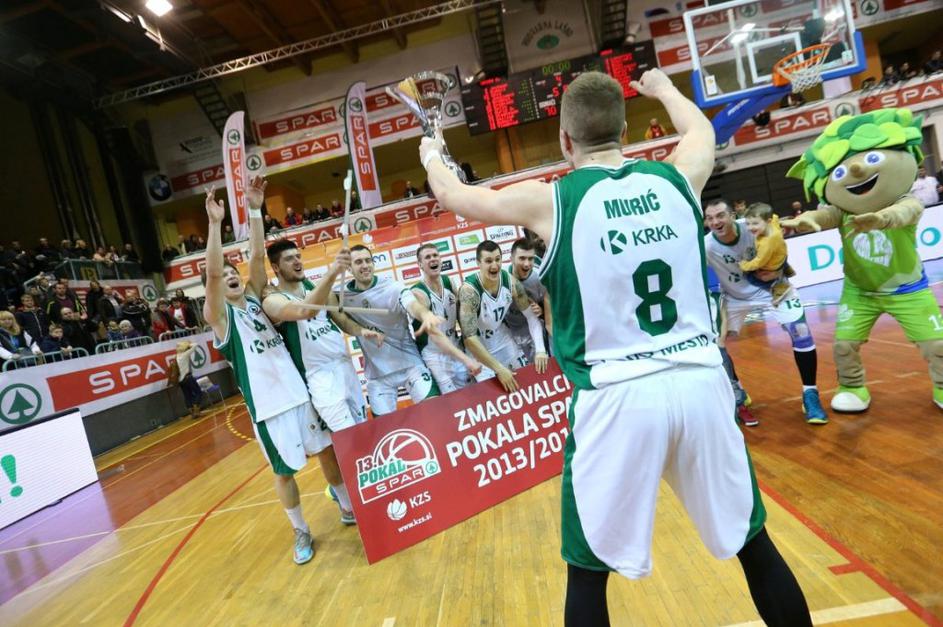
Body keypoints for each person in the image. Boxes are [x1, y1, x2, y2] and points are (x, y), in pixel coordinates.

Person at [420, 68, 811, 627]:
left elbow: (453, 195)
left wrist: (431, 152)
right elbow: (701, 131)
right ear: (625, 132)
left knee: (587, 572)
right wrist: (664, 89)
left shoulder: (552, 201)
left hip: (615, 397)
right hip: (701, 383)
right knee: (756, 548)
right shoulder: (679, 178)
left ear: (565, 140)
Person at [202, 176, 347, 564]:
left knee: (327, 451)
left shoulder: (255, 299)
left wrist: (254, 209)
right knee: (284, 473)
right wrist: (215, 225)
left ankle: (347, 504)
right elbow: (212, 274)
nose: (230, 276)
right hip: (268, 409)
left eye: (233, 273)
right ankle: (300, 530)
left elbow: (254, 256)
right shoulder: (219, 318)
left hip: (298, 394)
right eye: (224, 276)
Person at [704, 199, 827, 424]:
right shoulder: (706, 246)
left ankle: (810, 394)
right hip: (735, 297)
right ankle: (737, 392)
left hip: (774, 290)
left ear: (732, 216)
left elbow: (779, 245)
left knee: (802, 333)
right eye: (710, 218)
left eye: (720, 215)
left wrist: (779, 268)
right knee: (714, 344)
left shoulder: (752, 226)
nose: (715, 222)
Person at [263, 239, 380, 436]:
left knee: (362, 429)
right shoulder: (272, 300)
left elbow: (342, 320)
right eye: (289, 259)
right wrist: (332, 273)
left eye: (298, 256)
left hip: (344, 367)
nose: (297, 261)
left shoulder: (316, 288)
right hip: (319, 377)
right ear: (276, 267)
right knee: (348, 436)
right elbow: (304, 311)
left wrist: (361, 330)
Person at [338, 245, 444, 416]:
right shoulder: (341, 294)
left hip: (410, 365)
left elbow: (412, 304)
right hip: (378, 376)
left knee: (437, 413)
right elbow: (334, 313)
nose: (365, 265)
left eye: (368, 260)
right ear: (349, 268)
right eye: (358, 262)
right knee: (385, 430)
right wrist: (359, 330)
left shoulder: (392, 287)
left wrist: (426, 314)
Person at [458, 240, 548, 392]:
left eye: (497, 259)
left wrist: (540, 350)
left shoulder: (511, 283)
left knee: (525, 387)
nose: (494, 265)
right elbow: (469, 339)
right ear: (478, 263)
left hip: (502, 339)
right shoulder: (469, 291)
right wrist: (499, 369)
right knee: (494, 397)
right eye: (488, 261)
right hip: (479, 349)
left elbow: (532, 317)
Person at [410, 243, 483, 393]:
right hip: (434, 355)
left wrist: (470, 348)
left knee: (472, 394)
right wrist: (466, 359)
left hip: (455, 346)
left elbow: (463, 318)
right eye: (427, 257)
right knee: (451, 400)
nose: (433, 259)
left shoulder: (449, 282)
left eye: (435, 255)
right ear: (420, 265)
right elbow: (435, 336)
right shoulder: (419, 293)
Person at [505, 237, 552, 363]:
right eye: (522, 258)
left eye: (530, 258)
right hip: (510, 334)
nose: (527, 264)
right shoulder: (501, 277)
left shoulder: (540, 278)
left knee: (541, 368)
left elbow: (552, 308)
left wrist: (542, 311)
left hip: (535, 333)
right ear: (511, 259)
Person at [738, 203, 792, 304]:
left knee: (750, 277)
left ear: (768, 221)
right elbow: (775, 216)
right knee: (778, 254)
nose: (750, 227)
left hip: (772, 266)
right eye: (747, 224)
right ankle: (786, 268)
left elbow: (759, 262)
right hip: (782, 256)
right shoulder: (773, 224)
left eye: (755, 223)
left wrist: (744, 266)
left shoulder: (766, 243)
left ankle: (779, 287)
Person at [175, 340, 203, 418]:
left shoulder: (176, 356)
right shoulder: (184, 355)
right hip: (188, 378)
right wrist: (189, 345)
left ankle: (192, 413)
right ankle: (196, 409)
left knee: (187, 396)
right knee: (198, 392)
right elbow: (196, 345)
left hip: (181, 380)